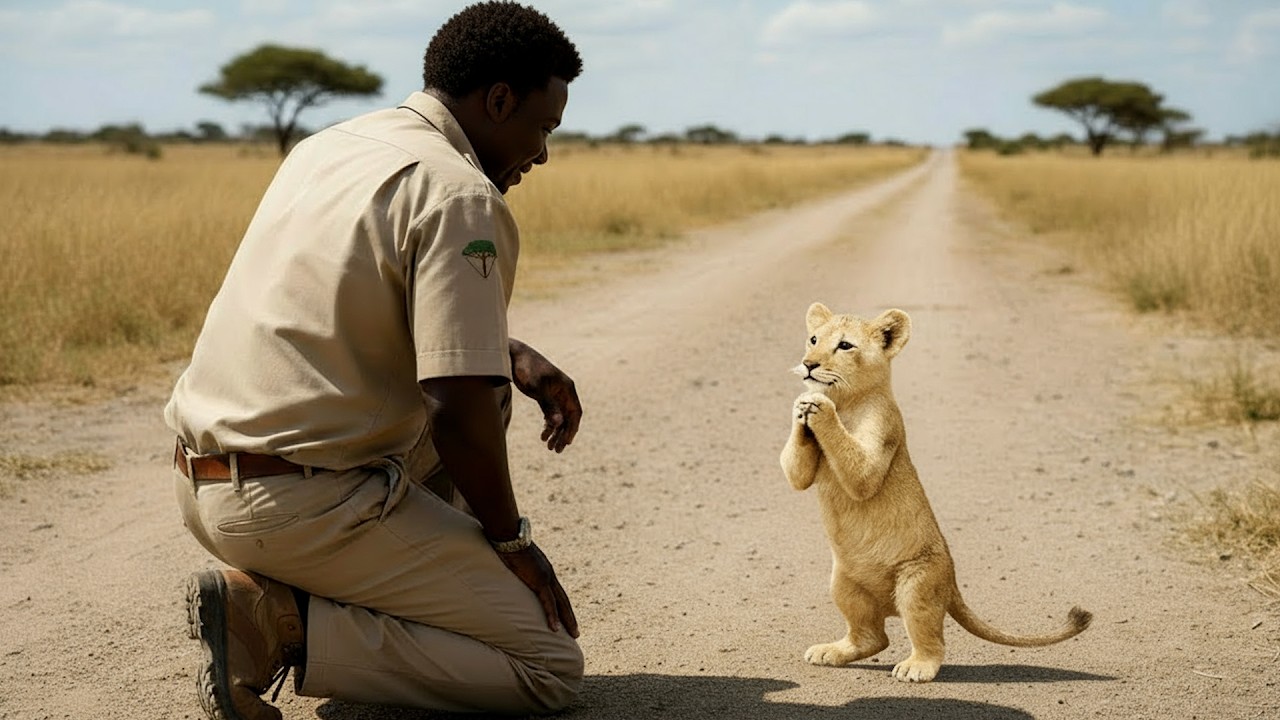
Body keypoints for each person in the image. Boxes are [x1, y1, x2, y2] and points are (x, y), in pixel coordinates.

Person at [165, 3, 586, 718]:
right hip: (300, 506)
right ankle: (280, 621)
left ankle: (335, 591)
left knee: (492, 380)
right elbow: (457, 410)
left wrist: (505, 351)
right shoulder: (459, 193)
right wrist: (512, 542)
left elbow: (344, 303)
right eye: (541, 129)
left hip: (201, 484)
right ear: (499, 101)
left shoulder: (328, 147)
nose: (541, 154)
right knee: (548, 665)